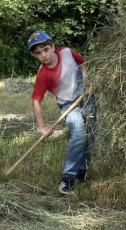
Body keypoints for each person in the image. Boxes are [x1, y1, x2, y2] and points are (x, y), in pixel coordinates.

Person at [28, 30, 92, 195]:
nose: (44, 55)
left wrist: (87, 80)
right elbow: (36, 100)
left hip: (87, 97)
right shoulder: (43, 75)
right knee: (78, 134)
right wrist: (43, 127)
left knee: (91, 135)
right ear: (34, 56)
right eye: (38, 53)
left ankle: (82, 171)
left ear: (53, 46)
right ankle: (69, 176)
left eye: (46, 49)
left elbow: (82, 63)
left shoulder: (67, 53)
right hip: (68, 105)